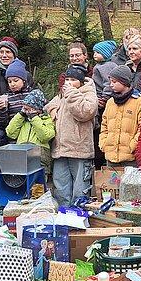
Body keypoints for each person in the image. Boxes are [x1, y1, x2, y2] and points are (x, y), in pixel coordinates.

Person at [46, 64, 99, 204]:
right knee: (60, 186)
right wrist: (52, 110)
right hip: (60, 149)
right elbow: (49, 105)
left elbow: (85, 112)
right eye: (67, 79)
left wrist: (71, 93)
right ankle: (63, 216)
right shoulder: (63, 95)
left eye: (72, 80)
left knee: (80, 187)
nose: (68, 83)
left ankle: (79, 216)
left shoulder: (89, 94)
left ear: (81, 81)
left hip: (79, 149)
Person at [99, 66, 141, 167]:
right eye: (110, 81)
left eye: (114, 82)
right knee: (110, 183)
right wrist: (104, 143)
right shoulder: (110, 102)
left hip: (130, 158)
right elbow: (104, 125)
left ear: (124, 82)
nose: (111, 85)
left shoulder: (139, 102)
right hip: (111, 155)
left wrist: (132, 146)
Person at [5, 89, 55, 176]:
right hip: (21, 158)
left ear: (38, 108)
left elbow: (45, 137)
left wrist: (34, 118)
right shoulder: (23, 120)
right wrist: (20, 115)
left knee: (38, 186)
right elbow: (10, 133)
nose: (27, 111)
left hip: (40, 158)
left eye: (30, 109)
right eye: (25, 108)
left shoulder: (47, 119)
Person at [0, 59, 31, 129]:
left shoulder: (33, 94)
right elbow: (2, 123)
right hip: (14, 134)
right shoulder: (7, 98)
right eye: (9, 81)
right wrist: (1, 109)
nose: (12, 84)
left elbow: (44, 109)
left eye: (16, 80)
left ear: (24, 80)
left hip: (31, 133)